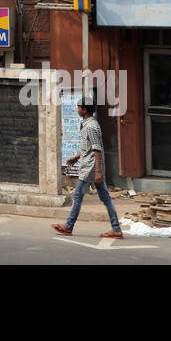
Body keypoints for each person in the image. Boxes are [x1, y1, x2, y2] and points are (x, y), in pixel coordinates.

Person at [52, 99, 123, 238]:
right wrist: (77, 157)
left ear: (84, 110)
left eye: (78, 108)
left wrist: (98, 172)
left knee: (78, 195)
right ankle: (116, 229)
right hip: (89, 164)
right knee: (105, 198)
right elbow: (90, 147)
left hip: (91, 167)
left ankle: (68, 226)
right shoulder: (87, 124)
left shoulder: (91, 126)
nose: (77, 110)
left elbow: (97, 149)